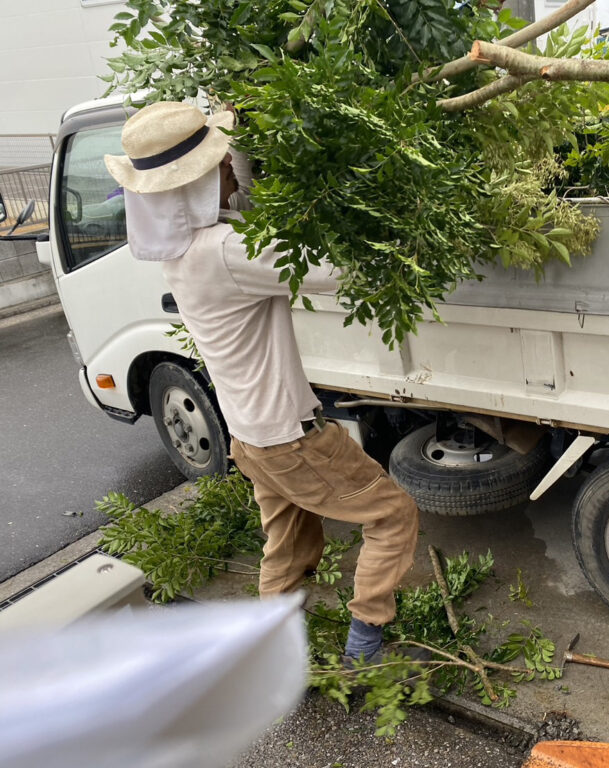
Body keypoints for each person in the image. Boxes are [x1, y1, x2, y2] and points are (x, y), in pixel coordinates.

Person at [105, 101, 420, 664]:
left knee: (289, 545)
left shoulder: (186, 249)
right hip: (290, 437)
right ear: (198, 184)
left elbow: (241, 215)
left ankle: (275, 651)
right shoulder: (226, 254)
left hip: (250, 438)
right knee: (392, 514)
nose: (229, 164)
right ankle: (365, 645)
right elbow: (333, 270)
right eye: (220, 162)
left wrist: (239, 140)